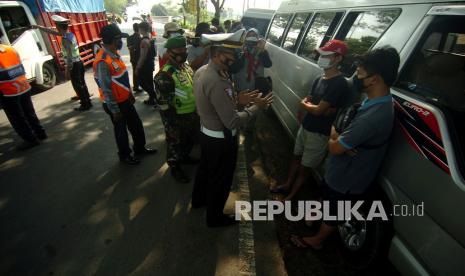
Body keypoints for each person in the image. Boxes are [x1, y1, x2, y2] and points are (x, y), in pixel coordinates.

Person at [290, 47, 400, 249]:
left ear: (374, 79)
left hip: (348, 178)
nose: (356, 77)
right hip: (339, 172)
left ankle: (317, 241)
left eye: (360, 74)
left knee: (336, 209)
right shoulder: (375, 101)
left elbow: (335, 147)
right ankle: (314, 217)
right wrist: (340, 136)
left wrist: (335, 133)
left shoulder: (373, 116)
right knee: (326, 194)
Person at [191, 29, 274, 227]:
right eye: (232, 53)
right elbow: (233, 122)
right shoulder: (218, 80)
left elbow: (214, 103)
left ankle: (198, 201)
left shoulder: (204, 70)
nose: (236, 57)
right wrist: (256, 107)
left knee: (204, 171)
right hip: (221, 140)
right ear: (218, 54)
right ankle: (215, 217)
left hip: (207, 134)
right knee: (221, 179)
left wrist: (237, 99)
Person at [270, 40, 351, 201]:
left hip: (319, 133)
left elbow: (317, 109)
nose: (321, 57)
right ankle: (287, 185)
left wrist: (311, 106)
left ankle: (292, 195)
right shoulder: (319, 78)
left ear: (338, 58)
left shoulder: (339, 83)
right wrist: (313, 107)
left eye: (326, 55)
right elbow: (308, 103)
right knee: (296, 157)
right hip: (306, 126)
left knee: (305, 168)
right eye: (321, 54)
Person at [93, 24, 157, 165]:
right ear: (113, 39)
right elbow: (106, 88)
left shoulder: (114, 54)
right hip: (115, 104)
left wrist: (129, 94)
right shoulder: (103, 60)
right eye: (119, 38)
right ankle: (125, 155)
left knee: (136, 125)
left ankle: (139, 148)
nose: (121, 41)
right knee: (121, 132)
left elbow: (120, 78)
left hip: (125, 100)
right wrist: (114, 110)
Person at [154, 36, 199, 183]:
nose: (183, 52)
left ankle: (185, 157)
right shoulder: (164, 75)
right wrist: (172, 124)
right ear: (169, 52)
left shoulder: (185, 67)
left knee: (189, 139)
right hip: (176, 117)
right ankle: (175, 166)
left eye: (184, 49)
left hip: (192, 113)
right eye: (179, 49)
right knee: (175, 143)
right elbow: (163, 104)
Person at [32, 15, 92, 111]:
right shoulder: (70, 35)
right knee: (82, 83)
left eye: (56, 26)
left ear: (59, 27)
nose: (56, 28)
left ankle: (85, 104)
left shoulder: (65, 40)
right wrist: (39, 27)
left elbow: (69, 56)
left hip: (74, 65)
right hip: (79, 62)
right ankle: (87, 101)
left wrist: (67, 70)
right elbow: (52, 32)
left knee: (78, 85)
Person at [0, 29, 47, 150]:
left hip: (8, 92)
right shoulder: (10, 49)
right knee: (29, 113)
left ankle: (31, 139)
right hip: (23, 86)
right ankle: (40, 133)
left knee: (17, 118)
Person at [135, 21, 158, 108]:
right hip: (150, 63)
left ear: (141, 29)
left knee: (142, 82)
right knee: (149, 82)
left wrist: (137, 67)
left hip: (145, 65)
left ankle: (156, 97)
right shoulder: (151, 38)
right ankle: (152, 99)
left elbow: (143, 56)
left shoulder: (144, 41)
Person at [127, 23, 142, 93]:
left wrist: (132, 47)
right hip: (140, 58)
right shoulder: (140, 38)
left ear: (133, 29)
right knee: (141, 72)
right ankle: (140, 85)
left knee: (135, 72)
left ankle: (136, 86)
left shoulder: (129, 37)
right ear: (139, 29)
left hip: (133, 58)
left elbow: (129, 48)